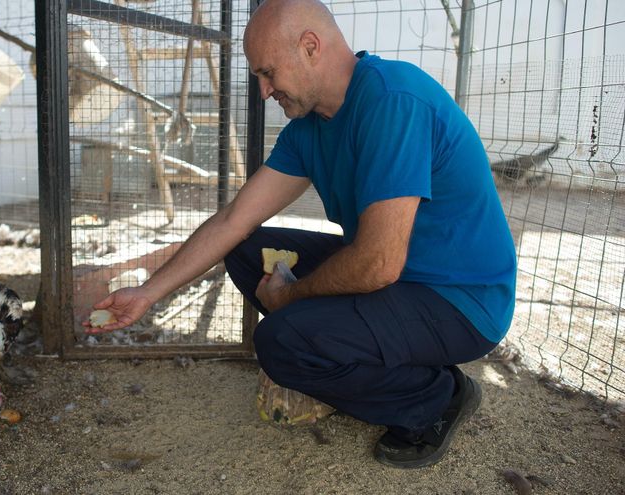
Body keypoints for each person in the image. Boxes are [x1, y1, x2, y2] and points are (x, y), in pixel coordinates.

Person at [84, 0, 515, 469]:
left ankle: (436, 397)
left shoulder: (393, 101)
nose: (265, 90)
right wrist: (149, 293)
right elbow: (234, 222)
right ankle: (368, 353)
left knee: (280, 342)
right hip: (397, 280)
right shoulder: (309, 127)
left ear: (310, 47)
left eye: (268, 72)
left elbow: (377, 264)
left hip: (459, 301)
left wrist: (291, 298)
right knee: (249, 251)